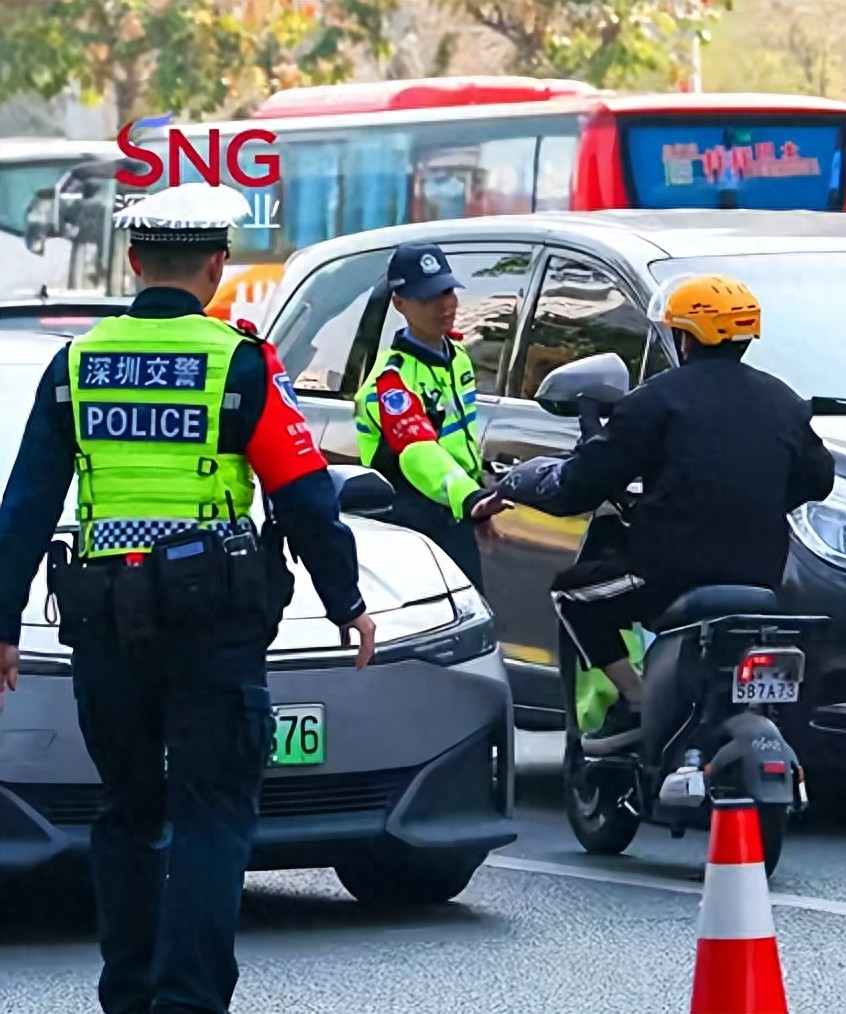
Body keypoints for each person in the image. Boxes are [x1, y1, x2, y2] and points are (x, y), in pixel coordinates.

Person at [0, 182, 376, 1014]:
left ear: (135, 265)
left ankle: (128, 996)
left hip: (102, 620)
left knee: (127, 811)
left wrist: (3, 623)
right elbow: (306, 494)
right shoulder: (238, 363)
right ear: (215, 267)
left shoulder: (78, 364)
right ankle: (189, 1003)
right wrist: (347, 601)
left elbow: (25, 502)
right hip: (213, 623)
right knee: (211, 814)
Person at [479, 274, 835, 752]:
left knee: (572, 594)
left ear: (684, 337)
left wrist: (522, 482)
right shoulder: (783, 400)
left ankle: (638, 698)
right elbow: (819, 480)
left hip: (666, 576)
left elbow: (581, 487)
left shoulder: (655, 401)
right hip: (760, 576)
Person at [352, 242, 507, 591]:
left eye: (447, 291)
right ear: (400, 304)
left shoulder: (458, 357)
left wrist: (475, 497)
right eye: (427, 298)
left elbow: (460, 442)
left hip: (452, 513)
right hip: (411, 527)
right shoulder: (391, 382)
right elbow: (419, 452)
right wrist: (470, 499)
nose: (444, 305)